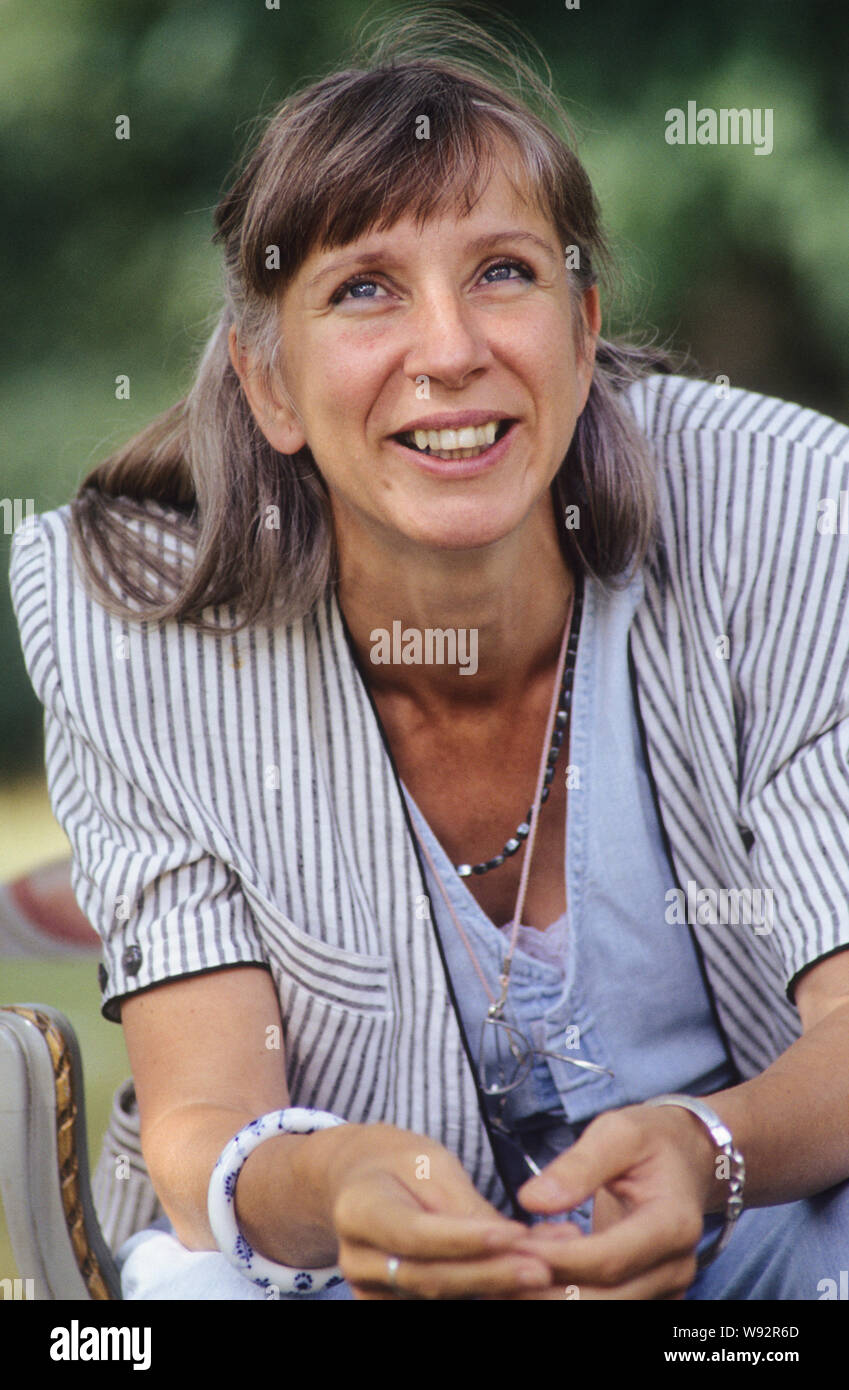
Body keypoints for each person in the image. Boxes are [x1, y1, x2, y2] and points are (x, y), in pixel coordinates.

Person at [9, 13, 849, 1301]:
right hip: (353, 1274)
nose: (450, 350)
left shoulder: (779, 507)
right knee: (193, 1288)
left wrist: (711, 1148)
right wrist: (339, 1189)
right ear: (270, 384)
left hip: (751, 1240)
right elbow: (201, 1127)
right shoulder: (134, 613)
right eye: (364, 289)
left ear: (584, 327)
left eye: (504, 272)